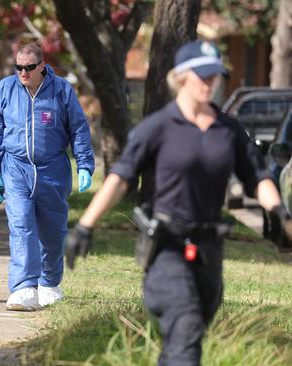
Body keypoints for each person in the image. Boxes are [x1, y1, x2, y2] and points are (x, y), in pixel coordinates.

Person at [66, 40, 292, 365]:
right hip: (167, 249)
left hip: (209, 250)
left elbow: (258, 177)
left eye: (215, 76)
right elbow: (121, 178)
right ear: (181, 77)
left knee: (186, 339)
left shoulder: (227, 130)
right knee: (184, 325)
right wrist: (86, 225)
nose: (210, 83)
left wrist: (279, 212)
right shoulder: (157, 128)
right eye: (203, 75)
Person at [0, 43, 95, 311]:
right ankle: (23, 288)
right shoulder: (5, 89)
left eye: (29, 67)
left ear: (42, 66)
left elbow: (79, 129)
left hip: (53, 170)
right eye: (19, 67)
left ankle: (48, 283)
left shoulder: (61, 91)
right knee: (22, 226)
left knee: (52, 232)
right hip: (16, 169)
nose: (23, 72)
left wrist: (84, 165)